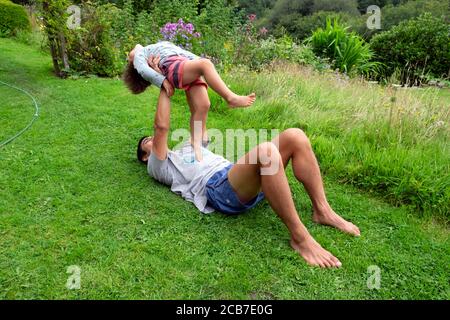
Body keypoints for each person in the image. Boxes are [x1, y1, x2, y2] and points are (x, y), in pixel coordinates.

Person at [136, 88, 361, 269]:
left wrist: (187, 76)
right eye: (146, 141)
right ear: (146, 157)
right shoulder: (158, 166)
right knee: (266, 151)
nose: (150, 139)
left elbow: (201, 107)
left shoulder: (187, 145)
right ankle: (300, 238)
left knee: (296, 136)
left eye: (149, 138)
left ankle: (322, 210)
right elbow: (161, 127)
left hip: (238, 178)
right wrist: (164, 83)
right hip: (218, 190)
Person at [123, 41, 256, 160]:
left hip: (184, 63)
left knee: (203, 105)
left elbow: (183, 52)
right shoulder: (139, 57)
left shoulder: (146, 49)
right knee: (206, 64)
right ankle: (231, 98)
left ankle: (196, 145)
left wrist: (200, 66)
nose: (131, 52)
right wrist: (162, 81)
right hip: (173, 67)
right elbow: (144, 70)